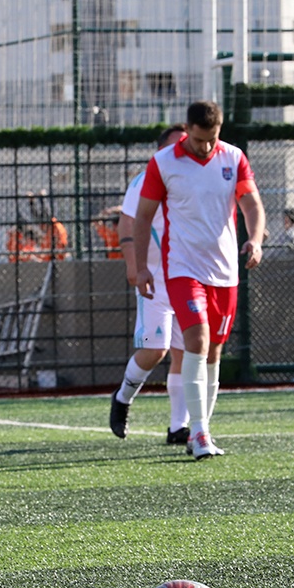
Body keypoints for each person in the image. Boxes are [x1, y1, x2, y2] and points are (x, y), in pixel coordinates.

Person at [131, 101, 266, 460]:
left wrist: (255, 239)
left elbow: (251, 204)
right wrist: (142, 267)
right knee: (197, 340)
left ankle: (201, 428)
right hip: (182, 268)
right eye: (199, 139)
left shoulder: (233, 157)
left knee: (214, 350)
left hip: (224, 270)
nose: (206, 147)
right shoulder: (163, 162)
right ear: (187, 130)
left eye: (212, 139)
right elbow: (142, 217)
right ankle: (200, 432)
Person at [109, 124, 191, 444]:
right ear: (160, 151)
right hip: (154, 277)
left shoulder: (196, 178)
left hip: (188, 276)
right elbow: (127, 222)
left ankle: (178, 427)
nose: (182, 151)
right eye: (175, 146)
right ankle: (123, 397)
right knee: (155, 350)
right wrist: (134, 265)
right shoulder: (144, 180)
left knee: (186, 350)